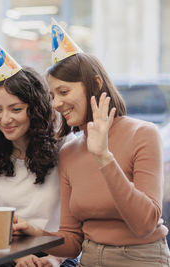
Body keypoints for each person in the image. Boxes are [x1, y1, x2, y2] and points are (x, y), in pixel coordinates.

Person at [13, 19, 170, 267]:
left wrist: (104, 156)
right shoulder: (69, 151)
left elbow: (145, 223)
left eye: (64, 92)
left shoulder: (144, 134)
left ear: (95, 84)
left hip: (141, 259)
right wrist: (36, 234)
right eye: (52, 96)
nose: (55, 104)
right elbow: (73, 240)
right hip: (89, 259)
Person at [0, 36, 77, 267]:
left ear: (36, 110)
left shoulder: (67, 148)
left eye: (15, 109)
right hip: (3, 252)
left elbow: (76, 229)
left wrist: (54, 258)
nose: (4, 119)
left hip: (56, 251)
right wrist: (15, 255)